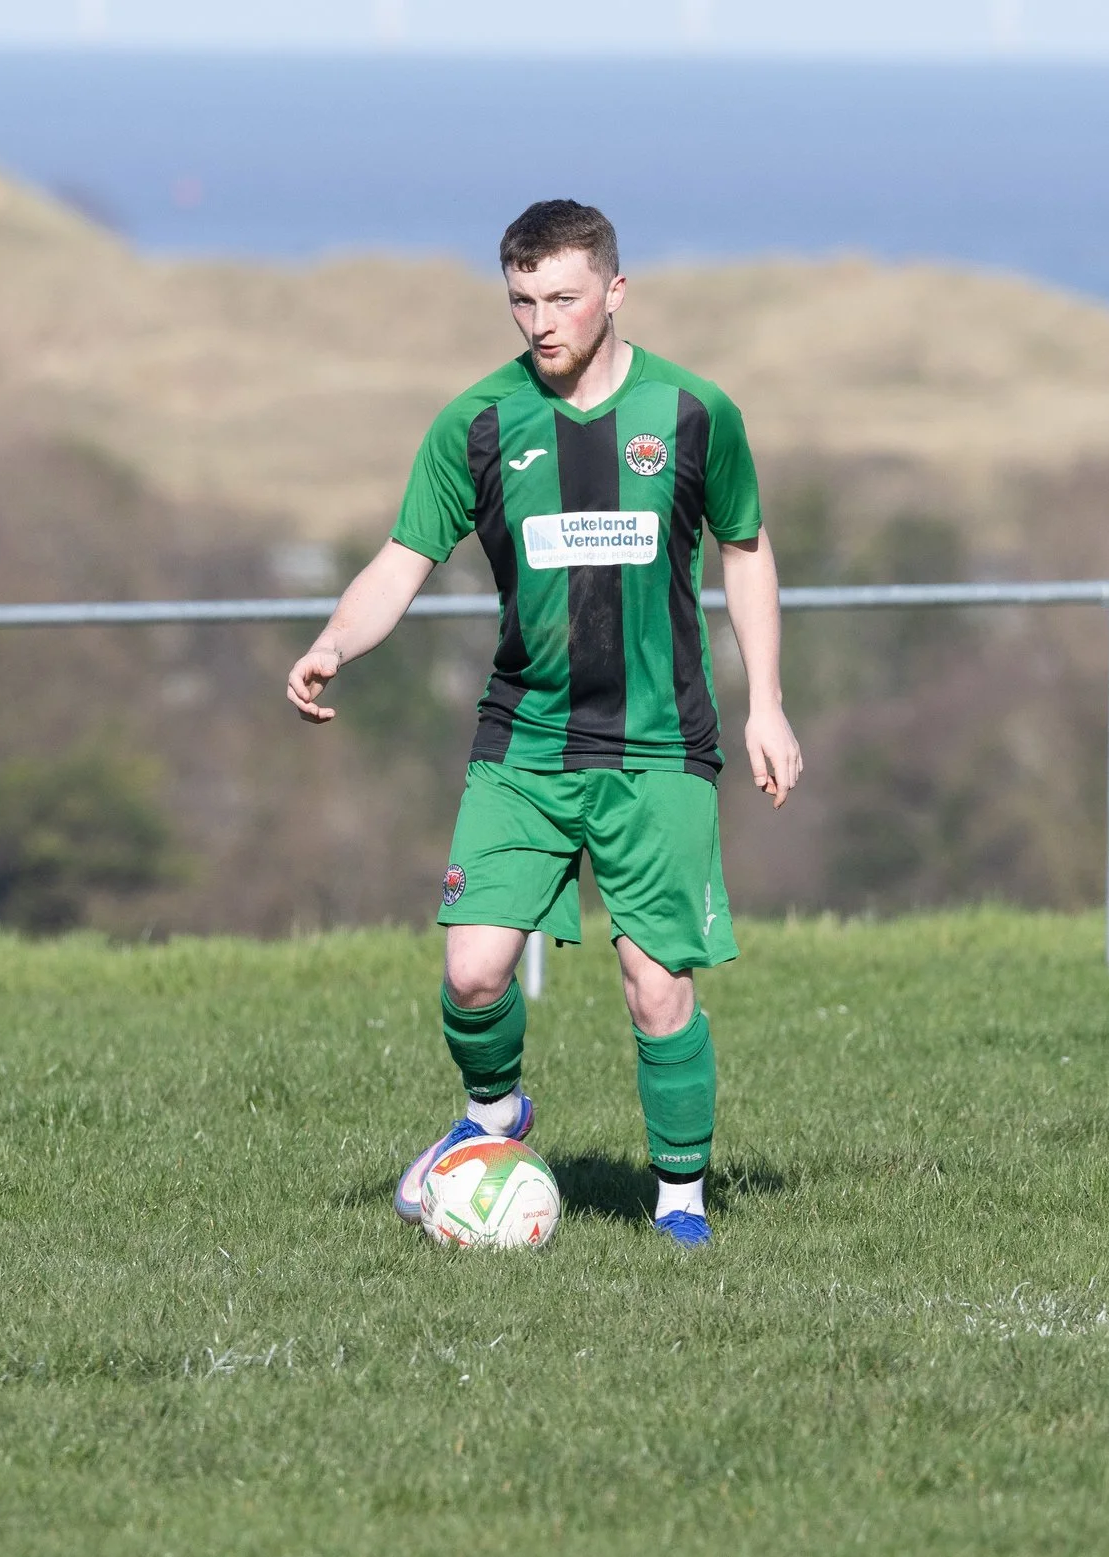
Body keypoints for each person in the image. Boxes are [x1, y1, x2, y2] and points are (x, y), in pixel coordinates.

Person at [286, 199, 801, 1249]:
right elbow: (401, 561)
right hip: (523, 741)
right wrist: (336, 641)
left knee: (656, 985)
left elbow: (745, 548)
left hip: (660, 743)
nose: (540, 320)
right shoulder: (475, 424)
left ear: (615, 291)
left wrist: (770, 705)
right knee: (472, 969)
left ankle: (680, 1205)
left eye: (562, 297)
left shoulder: (695, 413)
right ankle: (491, 1119)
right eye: (522, 300)